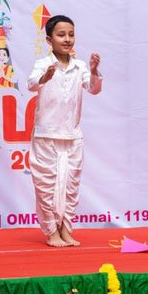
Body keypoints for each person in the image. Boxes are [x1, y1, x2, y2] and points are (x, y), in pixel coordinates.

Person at [27, 15, 102, 247]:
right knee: (46, 186)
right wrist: (45, 77)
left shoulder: (80, 67)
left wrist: (94, 70)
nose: (67, 39)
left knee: (70, 186)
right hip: (46, 134)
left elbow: (94, 89)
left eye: (71, 34)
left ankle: (66, 230)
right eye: (61, 35)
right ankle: (51, 232)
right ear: (49, 40)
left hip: (72, 135)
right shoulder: (43, 64)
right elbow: (31, 84)